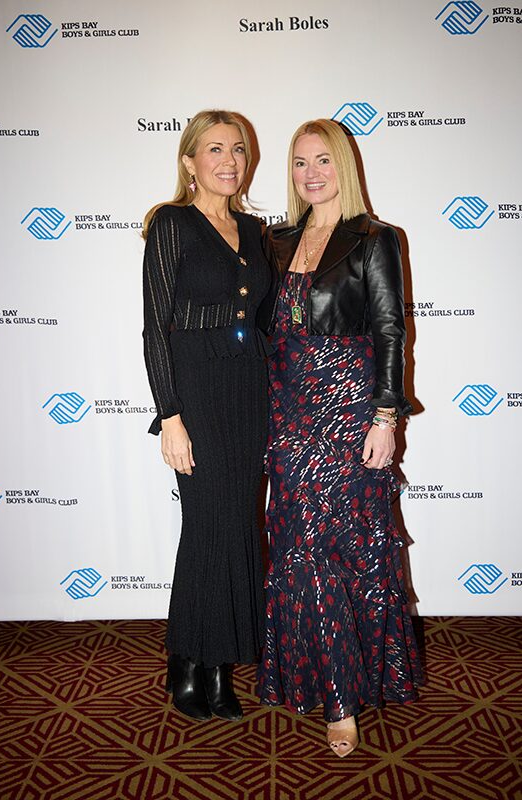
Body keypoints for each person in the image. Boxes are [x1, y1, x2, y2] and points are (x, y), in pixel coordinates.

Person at [256, 119, 422, 756]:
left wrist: (386, 416)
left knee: (347, 549)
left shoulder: (373, 239)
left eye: (323, 160)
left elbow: (390, 330)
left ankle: (343, 700)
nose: (311, 173)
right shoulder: (275, 240)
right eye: (300, 163)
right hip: (286, 411)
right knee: (298, 549)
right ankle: (315, 676)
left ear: (344, 167)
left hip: (348, 409)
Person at [142, 110, 271, 722]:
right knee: (206, 527)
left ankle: (208, 662)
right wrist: (169, 416)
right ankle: (195, 661)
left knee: (238, 525)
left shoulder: (255, 229)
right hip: (196, 391)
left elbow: (268, 318)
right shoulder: (171, 223)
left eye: (237, 149)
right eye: (214, 149)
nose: (229, 160)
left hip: (250, 389)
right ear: (189, 161)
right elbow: (155, 327)